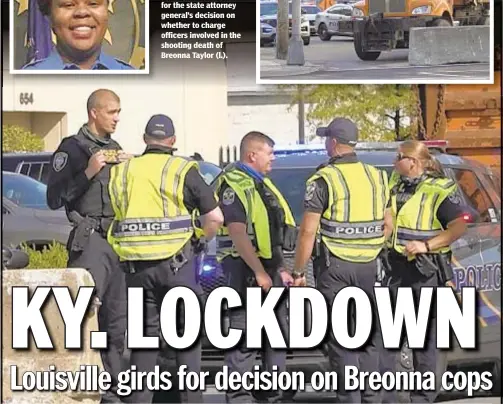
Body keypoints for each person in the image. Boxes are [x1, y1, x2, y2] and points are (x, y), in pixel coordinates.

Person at [106, 114, 224, 404]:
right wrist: (198, 238)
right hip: (177, 268)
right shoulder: (182, 169)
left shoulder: (123, 171)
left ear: (145, 139)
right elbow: (215, 218)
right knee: (186, 342)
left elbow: (117, 216)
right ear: (172, 142)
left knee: (142, 346)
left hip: (135, 271)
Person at [291, 118, 391, 404]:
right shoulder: (377, 176)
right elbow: (388, 223)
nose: (325, 144)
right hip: (370, 268)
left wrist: (299, 271)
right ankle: (373, 398)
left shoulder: (324, 179)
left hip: (335, 268)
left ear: (333, 143)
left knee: (342, 339)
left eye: (326, 139)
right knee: (369, 336)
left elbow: (308, 230)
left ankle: (350, 399)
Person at [46, 88, 130, 403]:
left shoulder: (116, 148)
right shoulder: (73, 149)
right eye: (112, 112)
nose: (117, 118)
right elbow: (54, 198)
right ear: (94, 112)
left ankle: (113, 390)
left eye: (119, 112)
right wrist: (88, 172)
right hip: (90, 241)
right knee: (81, 318)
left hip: (117, 243)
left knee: (116, 321)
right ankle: (75, 387)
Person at [379, 140, 467, 403]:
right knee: (388, 334)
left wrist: (426, 245)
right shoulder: (396, 183)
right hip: (395, 267)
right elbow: (391, 217)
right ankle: (388, 396)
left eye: (399, 157)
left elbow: (457, 227)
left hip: (426, 271)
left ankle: (423, 397)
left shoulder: (438, 189)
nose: (395, 161)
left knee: (425, 339)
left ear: (413, 162)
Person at [214, 131, 298, 404]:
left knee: (276, 332)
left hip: (268, 268)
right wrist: (259, 271)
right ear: (253, 155)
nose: (273, 158)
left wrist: (280, 268)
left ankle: (272, 393)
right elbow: (238, 235)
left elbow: (271, 232)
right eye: (269, 153)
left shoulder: (263, 185)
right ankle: (239, 397)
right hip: (242, 269)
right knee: (243, 333)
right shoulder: (233, 186)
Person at [22, 0, 135, 70]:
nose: (82, 12)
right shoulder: (24, 81)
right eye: (68, 4)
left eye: (93, 3)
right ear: (49, 16)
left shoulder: (132, 78)